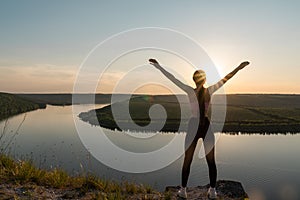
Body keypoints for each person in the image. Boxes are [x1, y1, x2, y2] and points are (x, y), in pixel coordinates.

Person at [149, 58, 250, 199]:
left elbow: (173, 78)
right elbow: (226, 78)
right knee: (211, 161)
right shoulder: (210, 90)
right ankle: (213, 191)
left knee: (187, 160)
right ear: (204, 80)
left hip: (193, 126)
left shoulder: (189, 91)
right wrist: (239, 68)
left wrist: (159, 67)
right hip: (206, 126)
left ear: (194, 80)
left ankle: (183, 190)